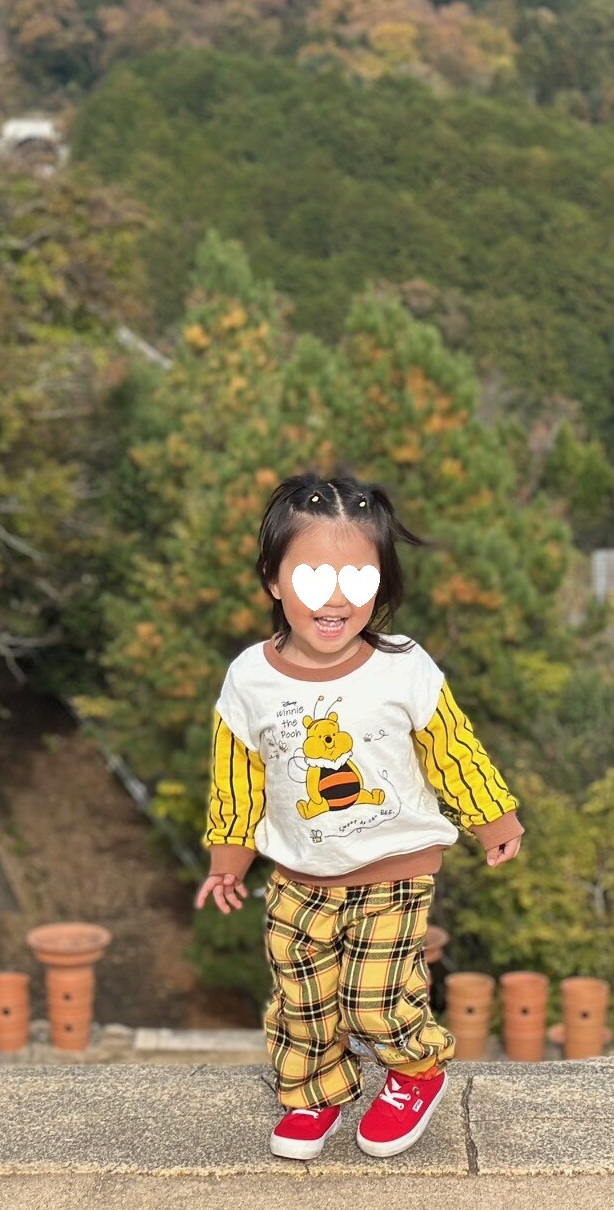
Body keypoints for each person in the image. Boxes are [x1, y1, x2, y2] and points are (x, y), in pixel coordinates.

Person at [194, 471, 524, 1160]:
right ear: (274, 580)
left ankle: (416, 1071)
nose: (336, 597)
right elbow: (237, 773)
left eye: (358, 577)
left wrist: (493, 817)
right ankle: (314, 1092)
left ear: (382, 583)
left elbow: (451, 748)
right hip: (298, 876)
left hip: (393, 870)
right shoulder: (249, 677)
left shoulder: (404, 667)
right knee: (303, 1000)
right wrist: (230, 855)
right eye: (314, 576)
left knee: (375, 997)